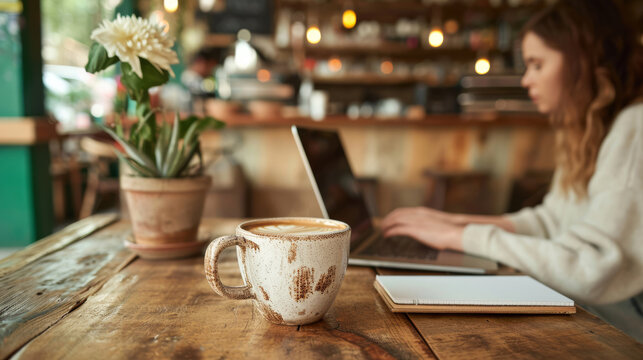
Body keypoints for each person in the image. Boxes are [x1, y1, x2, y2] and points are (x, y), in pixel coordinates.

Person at [381, 0, 643, 342]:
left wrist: (463, 238)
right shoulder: (587, 131)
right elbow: (552, 222)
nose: (525, 79)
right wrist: (454, 223)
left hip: (622, 327)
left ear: (583, 62)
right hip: (594, 312)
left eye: (536, 64)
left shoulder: (634, 126)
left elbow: (592, 266)